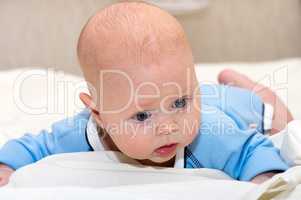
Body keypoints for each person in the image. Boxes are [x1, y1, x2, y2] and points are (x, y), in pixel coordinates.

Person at [0, 1, 293, 186]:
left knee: (276, 119)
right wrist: (7, 166)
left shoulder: (211, 133)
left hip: (230, 106)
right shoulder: (79, 134)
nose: (168, 126)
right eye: (142, 115)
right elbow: (36, 146)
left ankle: (249, 88)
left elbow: (251, 150)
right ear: (99, 115)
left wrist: (263, 178)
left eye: (180, 102)